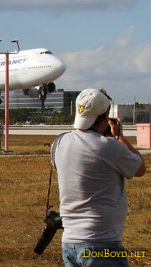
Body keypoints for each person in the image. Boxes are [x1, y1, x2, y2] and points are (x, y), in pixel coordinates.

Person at [52, 89, 146, 267]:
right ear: (105, 116)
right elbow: (140, 168)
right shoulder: (107, 146)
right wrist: (118, 137)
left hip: (70, 240)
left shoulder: (60, 142)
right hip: (101, 240)